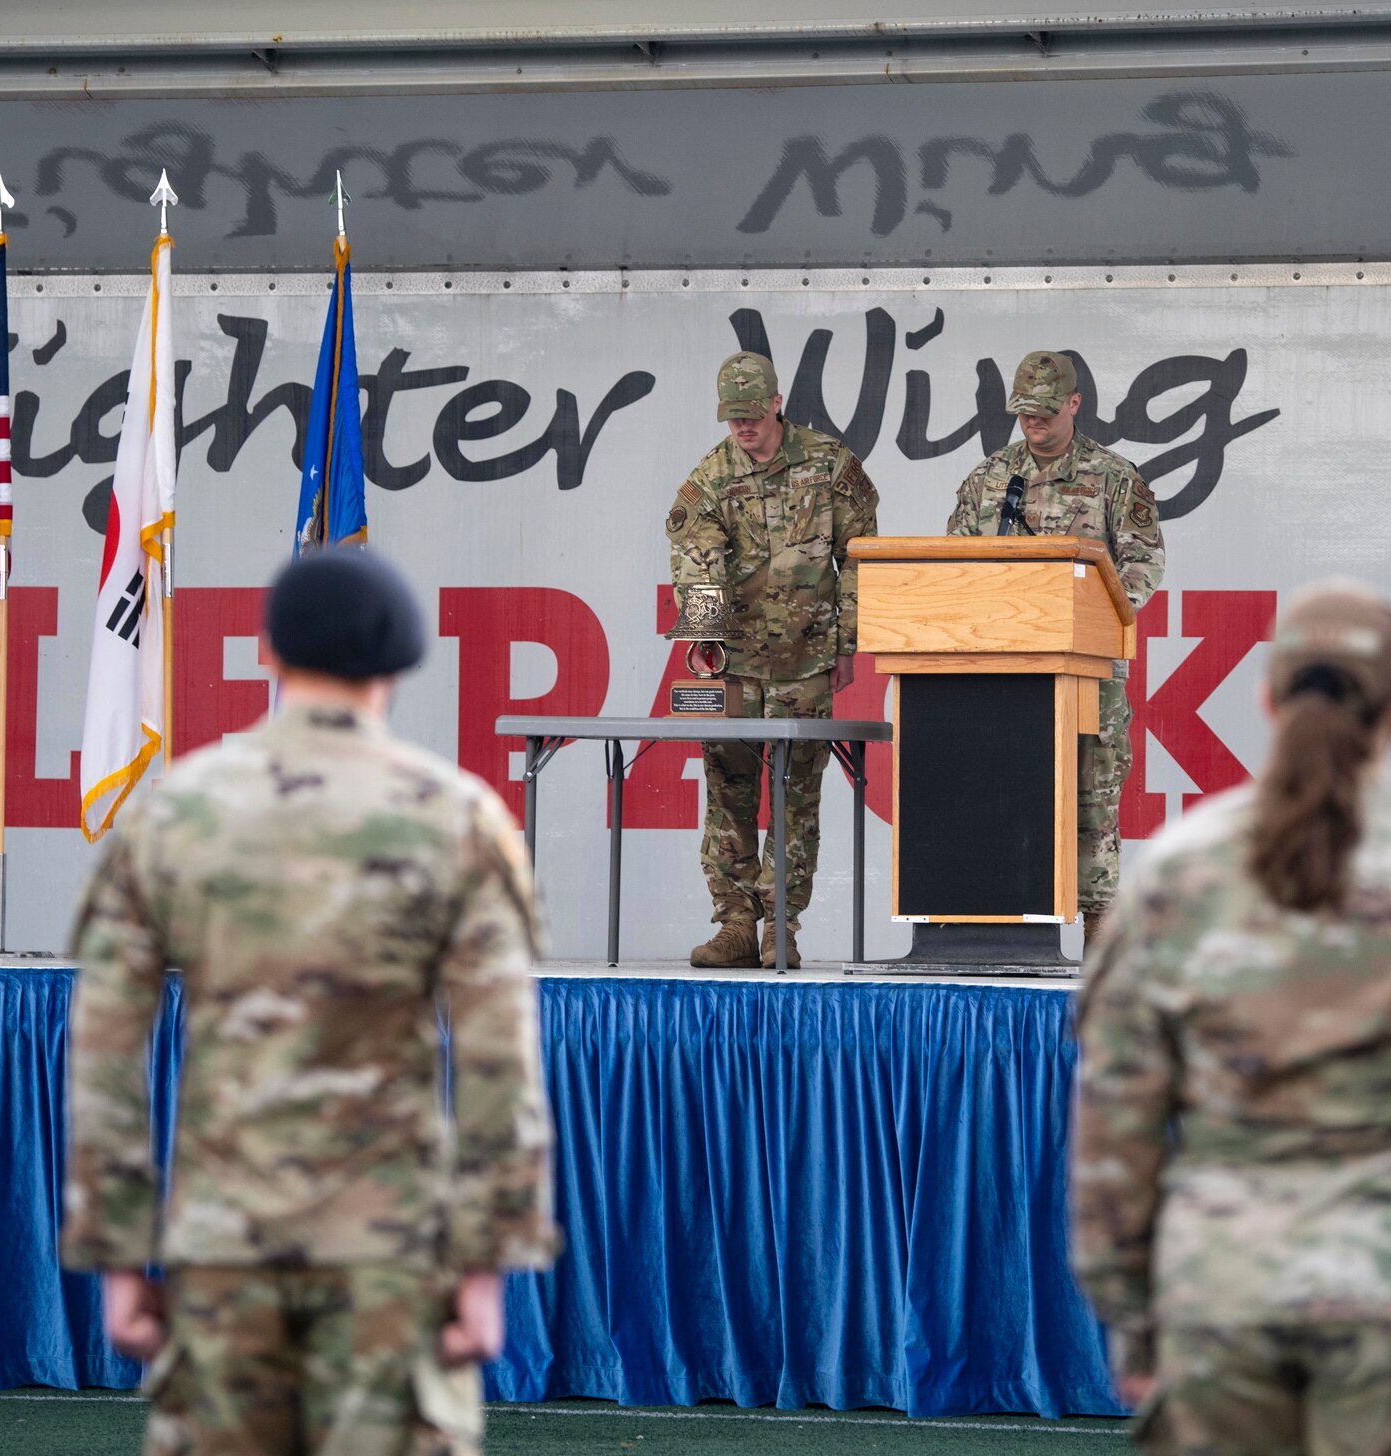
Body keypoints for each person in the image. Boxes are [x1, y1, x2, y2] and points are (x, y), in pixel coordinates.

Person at [1070, 582, 1391, 1455]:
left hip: (1223, 1316)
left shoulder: (1172, 880)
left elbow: (1111, 1140)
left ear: (1267, 699)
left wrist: (1137, 1327)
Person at [62, 548, 558, 1456]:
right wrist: (488, 1266)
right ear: (400, 664)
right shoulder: (457, 816)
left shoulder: (174, 812)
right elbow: (499, 1058)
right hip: (390, 1254)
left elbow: (103, 1045)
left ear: (265, 652)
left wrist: (118, 1257)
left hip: (223, 1247)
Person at [943, 350, 1164, 948]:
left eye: (1044, 412)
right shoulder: (990, 479)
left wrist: (1101, 615)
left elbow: (1143, 561)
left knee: (1092, 790)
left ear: (1074, 404)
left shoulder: (1114, 478)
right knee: (1001, 788)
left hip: (1088, 670)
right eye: (1023, 413)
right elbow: (954, 564)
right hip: (1002, 672)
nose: (1032, 423)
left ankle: (1099, 925)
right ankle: (996, 921)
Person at [667, 350, 879, 968]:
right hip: (733, 666)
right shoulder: (709, 479)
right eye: (732, 418)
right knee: (728, 792)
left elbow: (860, 558)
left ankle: (779, 927)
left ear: (777, 404)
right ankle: (736, 923)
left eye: (753, 415)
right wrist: (704, 640)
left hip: (806, 663)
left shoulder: (830, 465)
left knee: (796, 797)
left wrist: (847, 644)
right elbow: (695, 559)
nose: (743, 428)